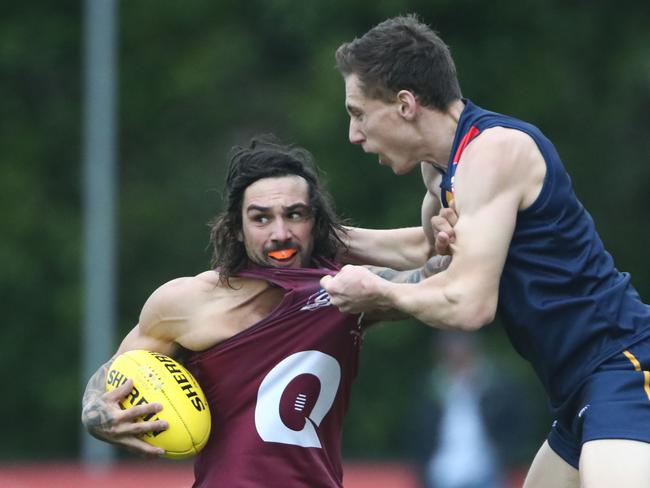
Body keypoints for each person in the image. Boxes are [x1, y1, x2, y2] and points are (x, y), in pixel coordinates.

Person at [320, 14, 650, 488]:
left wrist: (378, 292)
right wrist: (321, 240)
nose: (354, 134)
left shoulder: (493, 152)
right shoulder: (439, 169)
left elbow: (470, 304)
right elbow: (424, 249)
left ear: (406, 104)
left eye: (358, 113)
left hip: (625, 367)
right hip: (578, 390)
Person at [80, 135, 445, 487]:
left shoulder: (345, 289)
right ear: (236, 228)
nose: (280, 232)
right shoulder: (184, 301)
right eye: (261, 218)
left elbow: (433, 274)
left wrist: (455, 224)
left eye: (295, 214)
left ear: (316, 222)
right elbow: (113, 375)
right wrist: (96, 414)